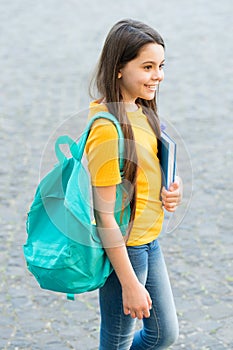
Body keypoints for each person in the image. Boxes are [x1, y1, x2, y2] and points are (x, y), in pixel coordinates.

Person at [85, 19, 182, 350]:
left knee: (163, 334)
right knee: (117, 343)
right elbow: (105, 215)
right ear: (119, 70)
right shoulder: (107, 129)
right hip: (125, 251)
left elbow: (148, 169)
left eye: (160, 66)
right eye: (148, 66)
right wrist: (128, 283)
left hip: (148, 242)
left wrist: (171, 188)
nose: (159, 75)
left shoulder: (141, 110)